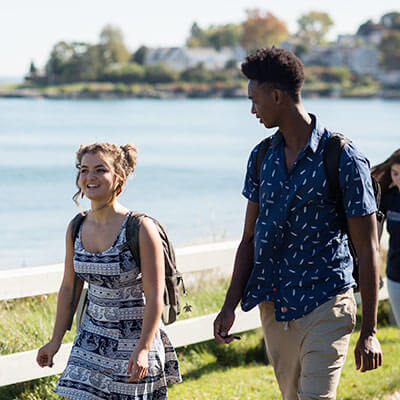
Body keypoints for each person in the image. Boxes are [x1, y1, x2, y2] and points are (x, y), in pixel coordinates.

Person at [213, 47, 383, 400]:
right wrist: (229, 304)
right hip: (275, 310)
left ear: (276, 95)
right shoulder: (261, 156)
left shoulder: (343, 157)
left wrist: (370, 330)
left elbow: (368, 248)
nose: (252, 109)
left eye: (254, 99)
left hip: (327, 303)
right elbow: (248, 238)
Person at [37, 142, 181, 399]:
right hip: (90, 340)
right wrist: (55, 341)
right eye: (84, 169)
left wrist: (144, 348)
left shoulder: (140, 227)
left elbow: (155, 295)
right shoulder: (76, 227)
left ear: (118, 178)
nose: (90, 177)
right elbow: (69, 288)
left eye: (100, 169)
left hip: (134, 342)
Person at [372, 149, 400, 328]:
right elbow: (374, 239)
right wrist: (374, 272)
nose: (398, 179)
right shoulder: (389, 198)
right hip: (395, 275)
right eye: (395, 173)